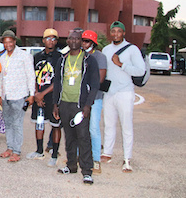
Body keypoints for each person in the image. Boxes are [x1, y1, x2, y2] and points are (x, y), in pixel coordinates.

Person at [53, 30, 99, 185]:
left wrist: (88, 105)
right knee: (69, 137)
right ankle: (71, 165)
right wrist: (55, 104)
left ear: (81, 41)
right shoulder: (62, 60)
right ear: (67, 41)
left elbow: (94, 85)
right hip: (65, 103)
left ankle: (87, 171)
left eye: (77, 38)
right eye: (71, 38)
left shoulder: (88, 60)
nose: (73, 41)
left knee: (83, 137)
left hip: (80, 105)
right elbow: (57, 83)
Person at [101, 21, 145, 172]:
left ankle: (127, 158)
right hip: (109, 93)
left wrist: (121, 65)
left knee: (126, 126)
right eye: (113, 31)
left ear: (124, 33)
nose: (116, 34)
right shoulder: (106, 49)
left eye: (119, 31)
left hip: (125, 92)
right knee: (109, 125)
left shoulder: (132, 49)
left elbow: (141, 71)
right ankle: (107, 153)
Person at [0, 30, 35, 162]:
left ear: (14, 41)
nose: (8, 44)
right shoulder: (2, 58)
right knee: (8, 123)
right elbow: (1, 78)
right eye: (5, 42)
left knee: (17, 124)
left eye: (10, 41)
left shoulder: (24, 56)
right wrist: (0, 94)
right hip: (6, 96)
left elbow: (31, 76)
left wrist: (32, 94)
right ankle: (9, 148)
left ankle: (17, 151)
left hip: (19, 95)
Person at [26, 28, 62, 167]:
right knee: (39, 123)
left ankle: (54, 154)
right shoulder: (37, 56)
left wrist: (43, 93)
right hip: (38, 97)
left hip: (52, 97)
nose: (50, 41)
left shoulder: (60, 58)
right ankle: (39, 150)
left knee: (56, 125)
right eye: (48, 38)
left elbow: (58, 80)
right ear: (43, 40)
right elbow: (33, 76)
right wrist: (36, 94)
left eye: (53, 39)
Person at [81, 29, 107, 174]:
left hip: (94, 98)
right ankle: (81, 156)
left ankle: (96, 159)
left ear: (93, 43)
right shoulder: (79, 56)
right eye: (82, 40)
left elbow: (100, 79)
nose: (83, 44)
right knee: (80, 128)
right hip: (79, 97)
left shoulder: (99, 57)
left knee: (93, 129)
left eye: (86, 41)